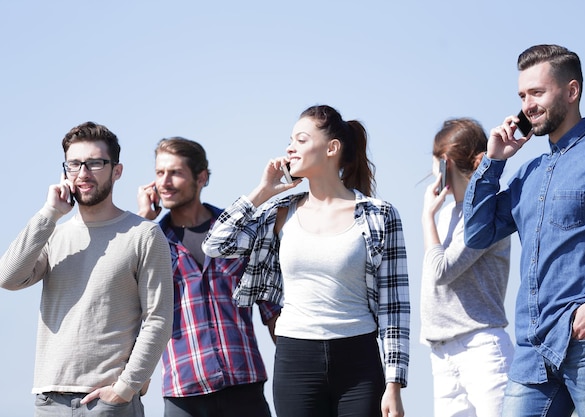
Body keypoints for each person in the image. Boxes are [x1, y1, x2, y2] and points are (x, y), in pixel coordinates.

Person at [202, 104, 410, 417]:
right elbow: (216, 243)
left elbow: (394, 305)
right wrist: (262, 192)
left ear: (332, 148)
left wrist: (394, 383)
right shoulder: (279, 213)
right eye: (290, 140)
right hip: (295, 357)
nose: (289, 148)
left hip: (359, 360)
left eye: (300, 139)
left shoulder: (378, 215)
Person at [464, 44, 585, 417]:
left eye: (537, 92)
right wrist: (493, 161)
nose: (527, 105)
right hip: (532, 353)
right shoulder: (527, 174)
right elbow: (476, 234)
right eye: (522, 95)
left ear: (571, 92)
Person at [0, 121, 174, 417]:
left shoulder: (143, 234)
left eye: (94, 163)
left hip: (108, 402)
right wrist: (49, 213)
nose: (83, 173)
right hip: (48, 400)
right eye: (74, 164)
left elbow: (159, 319)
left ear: (116, 170)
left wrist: (124, 388)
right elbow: (8, 277)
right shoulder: (52, 232)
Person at [137, 137, 281, 417]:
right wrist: (142, 221)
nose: (164, 182)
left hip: (244, 385)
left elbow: (272, 308)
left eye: (175, 173)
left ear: (201, 177)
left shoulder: (239, 232)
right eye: (159, 173)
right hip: (184, 393)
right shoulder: (149, 241)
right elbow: (130, 308)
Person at [420, 118, 513, 417]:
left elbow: (442, 270)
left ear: (447, 164)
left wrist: (425, 220)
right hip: (442, 351)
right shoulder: (447, 213)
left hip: (480, 347)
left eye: (437, 163)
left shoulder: (483, 213)